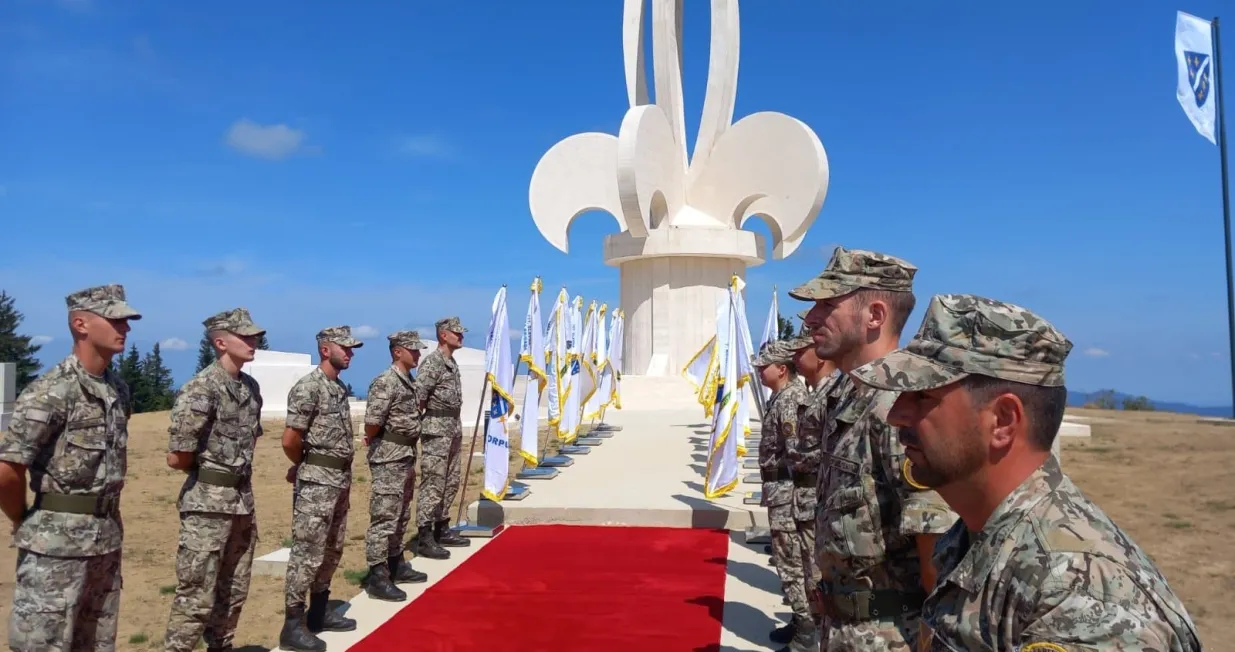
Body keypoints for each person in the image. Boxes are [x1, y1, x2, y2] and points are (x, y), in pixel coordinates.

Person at [852, 294, 1205, 651]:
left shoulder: (1078, 596)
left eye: (922, 397)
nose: (895, 415)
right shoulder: (975, 535)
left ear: (1003, 421)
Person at [789, 246, 959, 651]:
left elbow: (938, 558)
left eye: (827, 304)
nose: (811, 318)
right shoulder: (847, 395)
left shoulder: (902, 411)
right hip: (843, 631)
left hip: (892, 637)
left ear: (875, 316)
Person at [0, 284, 141, 651]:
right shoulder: (52, 391)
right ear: (80, 324)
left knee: (95, 642)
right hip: (55, 547)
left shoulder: (116, 389)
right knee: (43, 644)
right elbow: (7, 469)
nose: (124, 329)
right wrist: (21, 519)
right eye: (115, 320)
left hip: (106, 540)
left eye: (126, 322)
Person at [163, 308, 266, 652]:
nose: (254, 341)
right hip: (207, 506)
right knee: (196, 594)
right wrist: (214, 474)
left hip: (242, 502)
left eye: (254, 335)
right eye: (245, 336)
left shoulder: (251, 388)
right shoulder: (200, 389)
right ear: (221, 342)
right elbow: (178, 455)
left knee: (234, 589)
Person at [278, 326, 363, 652]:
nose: (350, 353)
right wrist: (305, 464)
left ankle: (319, 611)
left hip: (338, 481)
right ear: (326, 350)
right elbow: (290, 439)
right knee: (307, 552)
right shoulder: (308, 388)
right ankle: (292, 624)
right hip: (317, 482)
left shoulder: (338, 388)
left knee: (332, 548)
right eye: (346, 348)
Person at [751, 339, 814, 651]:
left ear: (782, 368)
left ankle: (806, 633)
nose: (760, 372)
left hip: (789, 495)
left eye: (765, 366)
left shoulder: (790, 401)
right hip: (780, 491)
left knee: (791, 563)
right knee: (790, 561)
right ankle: (799, 619)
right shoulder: (779, 398)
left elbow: (797, 453)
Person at [361, 330, 430, 602]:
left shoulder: (408, 382)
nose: (418, 354)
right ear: (397, 351)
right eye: (413, 350)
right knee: (384, 515)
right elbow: (372, 422)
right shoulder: (385, 382)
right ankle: (377, 574)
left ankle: (395, 562)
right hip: (389, 456)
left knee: (401, 514)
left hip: (405, 453)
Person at [413, 317, 470, 559]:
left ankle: (442, 526)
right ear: (443, 335)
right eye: (457, 333)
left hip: (452, 427)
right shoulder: (432, 363)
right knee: (434, 482)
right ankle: (425, 534)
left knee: (451, 480)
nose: (461, 337)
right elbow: (419, 398)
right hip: (436, 429)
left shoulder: (451, 363)